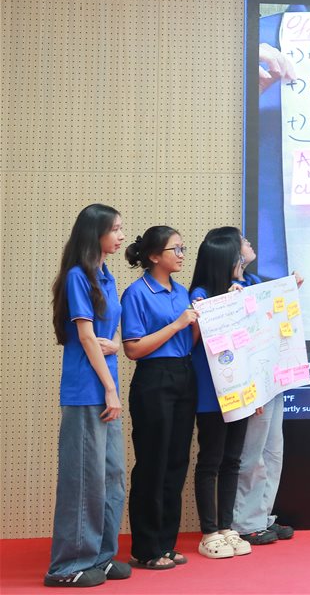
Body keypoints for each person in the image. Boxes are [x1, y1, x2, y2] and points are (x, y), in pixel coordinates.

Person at [44, 205, 130, 588]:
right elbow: (85, 336)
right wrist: (110, 389)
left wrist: (113, 343)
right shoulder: (78, 276)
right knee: (83, 478)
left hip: (106, 389)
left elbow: (108, 332)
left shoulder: (106, 276)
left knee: (111, 476)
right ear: (95, 233)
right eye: (115, 229)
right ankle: (67, 565)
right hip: (87, 391)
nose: (121, 236)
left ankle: (100, 555)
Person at [120, 226, 199, 570]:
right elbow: (133, 349)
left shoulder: (181, 292)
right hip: (154, 378)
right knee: (153, 461)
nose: (181, 255)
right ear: (154, 256)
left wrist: (196, 323)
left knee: (177, 461)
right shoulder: (136, 293)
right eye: (175, 249)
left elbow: (187, 342)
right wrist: (178, 324)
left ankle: (166, 543)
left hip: (184, 373)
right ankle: (146, 548)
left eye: (183, 248)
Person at [230, 228, 303, 545]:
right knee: (253, 454)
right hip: (251, 385)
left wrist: (290, 291)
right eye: (243, 241)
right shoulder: (221, 290)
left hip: (272, 378)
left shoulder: (253, 282)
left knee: (273, 452)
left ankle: (262, 515)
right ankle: (245, 521)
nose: (249, 243)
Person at [188, 228, 257, 559]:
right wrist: (222, 306)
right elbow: (194, 339)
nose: (241, 261)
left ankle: (227, 527)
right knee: (211, 461)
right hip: (210, 394)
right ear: (222, 260)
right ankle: (209, 532)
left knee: (233, 460)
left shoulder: (244, 287)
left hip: (240, 392)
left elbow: (255, 340)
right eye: (237, 256)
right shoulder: (200, 294)